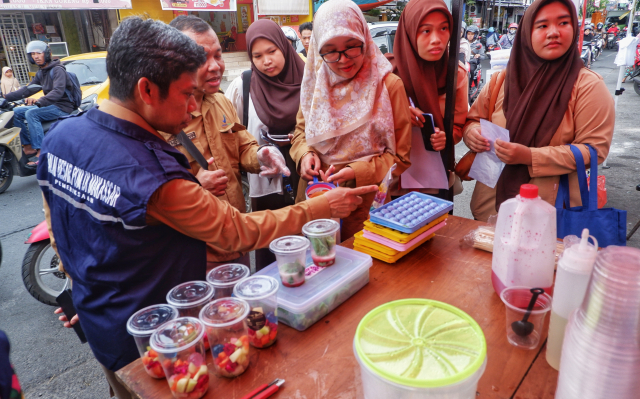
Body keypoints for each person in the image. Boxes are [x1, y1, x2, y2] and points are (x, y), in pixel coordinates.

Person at [42, 17, 374, 398]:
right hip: (161, 340)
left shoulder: (63, 136)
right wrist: (320, 208)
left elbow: (62, 225)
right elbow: (238, 230)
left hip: (103, 318)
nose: (190, 109)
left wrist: (76, 288)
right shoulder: (151, 174)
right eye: (185, 94)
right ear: (146, 89)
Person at [462, 0, 614, 222]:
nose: (553, 32)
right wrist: (472, 134)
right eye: (542, 25)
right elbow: (474, 120)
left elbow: (594, 150)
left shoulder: (587, 86)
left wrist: (529, 157)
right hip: (491, 209)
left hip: (550, 215)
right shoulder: (501, 81)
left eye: (563, 22)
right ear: (526, 33)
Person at [167, 15, 290, 268]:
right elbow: (146, 196)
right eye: (201, 58)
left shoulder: (220, 101)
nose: (215, 66)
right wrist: (193, 186)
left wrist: (260, 155)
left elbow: (242, 145)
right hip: (195, 252)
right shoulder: (161, 117)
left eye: (218, 55)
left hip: (236, 239)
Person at [290, 0, 412, 240]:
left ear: (365, 39)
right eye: (330, 50)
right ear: (317, 50)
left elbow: (400, 158)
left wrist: (355, 171)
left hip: (365, 202)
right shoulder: (316, 85)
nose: (343, 59)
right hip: (317, 197)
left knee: (366, 269)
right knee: (318, 266)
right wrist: (304, 155)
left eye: (352, 46)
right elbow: (300, 134)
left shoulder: (388, 86)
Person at [226, 19, 305, 269]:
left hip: (305, 169)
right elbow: (232, 132)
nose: (266, 61)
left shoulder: (309, 79)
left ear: (285, 47)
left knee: (305, 236)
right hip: (266, 173)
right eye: (257, 55)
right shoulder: (244, 85)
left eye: (272, 51)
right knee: (270, 241)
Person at [384, 0, 468, 197]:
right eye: (426, 31)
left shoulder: (456, 75)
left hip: (434, 180)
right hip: (391, 179)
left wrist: (446, 137)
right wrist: (398, 115)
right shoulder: (386, 72)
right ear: (409, 31)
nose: (437, 39)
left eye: (444, 28)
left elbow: (458, 126)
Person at [5, 41, 76, 166]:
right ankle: (27, 146)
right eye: (33, 54)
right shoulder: (41, 72)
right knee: (14, 112)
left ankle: (41, 151)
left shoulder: (58, 70)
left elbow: (57, 91)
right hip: (50, 105)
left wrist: (39, 101)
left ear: (46, 54)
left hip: (62, 106)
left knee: (32, 114)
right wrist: (5, 97)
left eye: (39, 53)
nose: (36, 56)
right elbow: (27, 90)